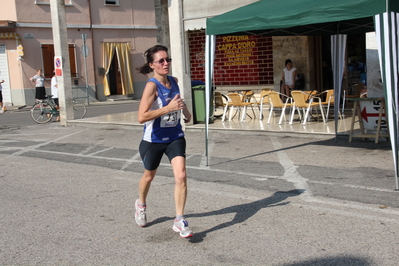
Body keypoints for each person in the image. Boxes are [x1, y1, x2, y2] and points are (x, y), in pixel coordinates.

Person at [135, 45, 193, 238]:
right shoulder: (151, 86)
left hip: (175, 136)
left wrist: (184, 111)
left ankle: (179, 219)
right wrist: (167, 109)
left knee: (181, 176)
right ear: (152, 65)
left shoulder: (174, 81)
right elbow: (142, 117)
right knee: (149, 177)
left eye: (167, 59)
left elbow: (176, 103)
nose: (166, 63)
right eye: (161, 61)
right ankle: (141, 205)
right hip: (154, 140)